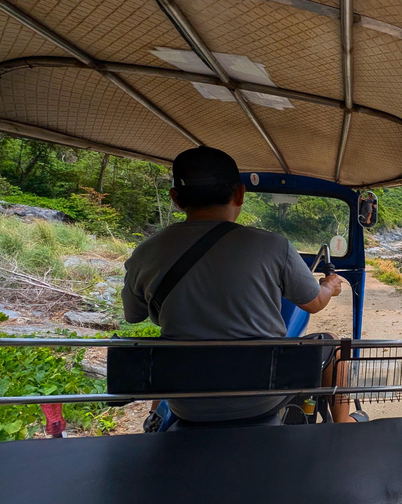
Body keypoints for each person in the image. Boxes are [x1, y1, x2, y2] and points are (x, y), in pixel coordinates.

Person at [122, 146, 359, 425]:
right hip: (262, 400)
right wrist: (330, 286)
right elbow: (315, 303)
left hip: (187, 404)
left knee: (170, 345)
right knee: (336, 347)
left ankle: (155, 417)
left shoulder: (146, 253)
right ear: (239, 194)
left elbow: (132, 315)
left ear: (175, 198)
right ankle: (344, 425)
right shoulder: (273, 246)